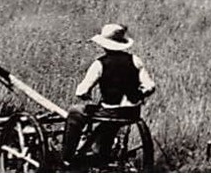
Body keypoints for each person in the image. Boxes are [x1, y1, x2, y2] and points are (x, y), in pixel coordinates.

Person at [60, 23, 156, 169]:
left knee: (75, 112)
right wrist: (138, 95)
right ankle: (102, 151)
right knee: (109, 122)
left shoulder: (99, 64)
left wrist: (86, 96)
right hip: (132, 112)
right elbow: (150, 86)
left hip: (110, 110)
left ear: (104, 45)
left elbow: (80, 91)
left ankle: (67, 157)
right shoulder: (135, 60)